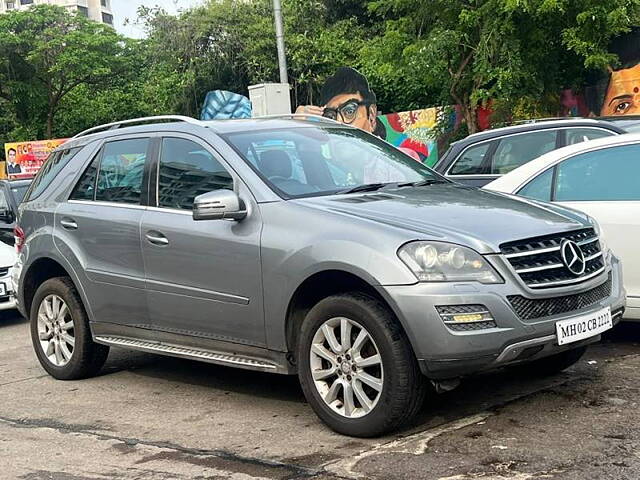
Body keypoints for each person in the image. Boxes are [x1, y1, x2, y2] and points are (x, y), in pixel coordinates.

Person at [296, 67, 386, 139]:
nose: (338, 123)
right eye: (331, 117)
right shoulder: (323, 159)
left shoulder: (394, 158)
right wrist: (298, 128)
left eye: (349, 111)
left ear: (371, 116)